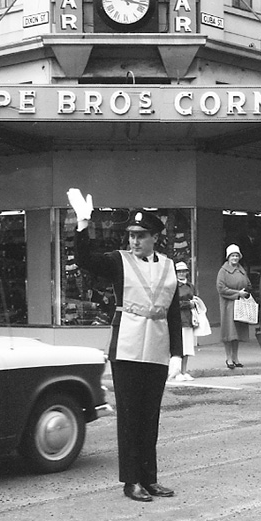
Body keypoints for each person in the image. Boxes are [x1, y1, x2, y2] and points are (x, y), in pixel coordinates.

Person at [67, 188, 182, 503]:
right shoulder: (119, 261)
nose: (133, 241)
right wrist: (83, 224)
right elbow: (85, 259)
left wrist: (177, 354)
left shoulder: (169, 266)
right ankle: (131, 481)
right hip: (128, 349)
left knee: (150, 417)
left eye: (140, 236)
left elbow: (173, 312)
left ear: (154, 238)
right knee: (130, 417)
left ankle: (150, 479)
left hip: (157, 350)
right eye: (131, 235)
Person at [216, 244, 253, 369]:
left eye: (237, 255)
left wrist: (246, 290)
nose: (235, 258)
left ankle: (236, 357)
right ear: (228, 257)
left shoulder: (242, 270)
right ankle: (228, 358)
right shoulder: (223, 271)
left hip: (240, 304)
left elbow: (248, 283)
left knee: (237, 333)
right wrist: (237, 293)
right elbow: (221, 288)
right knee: (229, 333)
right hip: (228, 305)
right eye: (232, 255)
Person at [172, 261, 196, 381]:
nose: (181, 273)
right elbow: (173, 303)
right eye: (179, 271)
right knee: (178, 347)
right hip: (178, 319)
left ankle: (184, 371)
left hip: (189, 319)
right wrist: (188, 304)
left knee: (187, 347)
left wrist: (195, 304)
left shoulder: (191, 286)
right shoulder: (173, 286)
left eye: (183, 271)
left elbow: (194, 299)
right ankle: (176, 372)